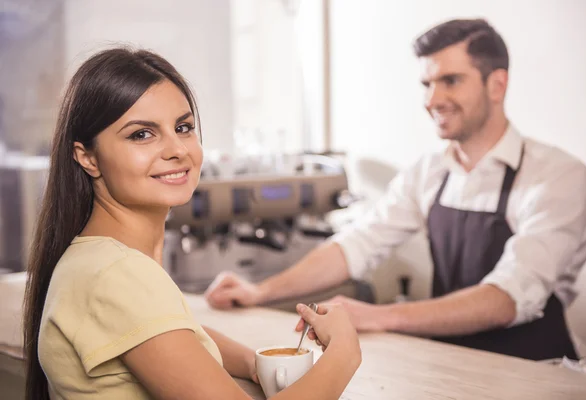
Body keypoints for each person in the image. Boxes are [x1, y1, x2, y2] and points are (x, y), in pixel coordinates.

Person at [205, 18, 586, 361]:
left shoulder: (559, 177)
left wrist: (377, 316)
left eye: (451, 81)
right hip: (451, 363)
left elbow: (506, 298)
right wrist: (260, 292)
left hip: (537, 373)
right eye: (427, 83)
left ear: (497, 85)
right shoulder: (429, 172)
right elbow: (357, 244)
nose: (432, 99)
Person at [22, 47, 361, 400]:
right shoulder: (118, 275)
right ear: (88, 157)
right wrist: (344, 353)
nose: (177, 149)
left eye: (183, 127)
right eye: (141, 134)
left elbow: (174, 334)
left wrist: (252, 363)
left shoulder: (98, 261)